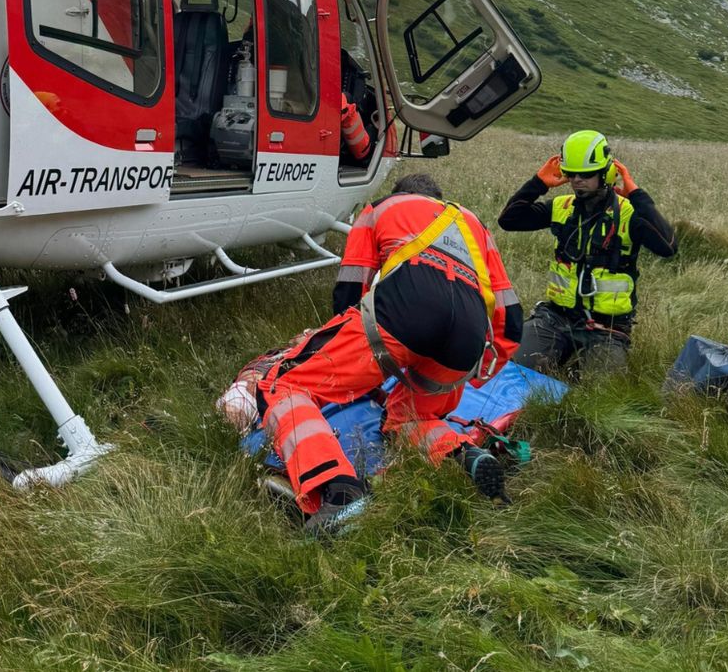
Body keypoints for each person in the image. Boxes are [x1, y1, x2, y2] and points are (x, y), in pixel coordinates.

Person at [255, 173, 520, 535]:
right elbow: (512, 320)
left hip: (406, 313)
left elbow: (350, 292)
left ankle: (337, 490)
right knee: (410, 417)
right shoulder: (476, 228)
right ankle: (463, 454)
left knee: (286, 387)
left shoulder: (380, 209)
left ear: (402, 194)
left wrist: (353, 365)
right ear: (439, 198)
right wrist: (474, 375)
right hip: (466, 342)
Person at [497, 130, 677, 373]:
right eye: (571, 173)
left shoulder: (629, 214)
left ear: (607, 173)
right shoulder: (561, 207)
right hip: (556, 318)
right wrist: (537, 184)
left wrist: (637, 195)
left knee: (600, 396)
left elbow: (668, 247)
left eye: (586, 173)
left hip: (609, 328)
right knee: (512, 370)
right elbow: (509, 220)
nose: (576, 180)